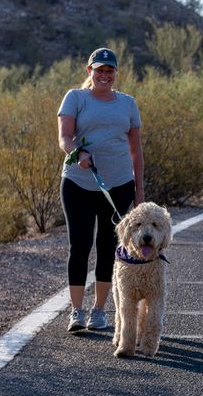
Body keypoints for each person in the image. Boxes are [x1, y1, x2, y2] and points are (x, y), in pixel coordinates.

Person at [57, 47, 144, 332]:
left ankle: (99, 311)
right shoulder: (76, 97)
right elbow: (64, 137)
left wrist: (139, 192)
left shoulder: (127, 103)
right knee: (80, 245)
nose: (104, 75)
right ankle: (77, 311)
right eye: (100, 70)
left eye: (110, 70)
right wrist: (78, 154)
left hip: (118, 185)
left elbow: (136, 152)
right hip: (78, 183)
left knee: (108, 246)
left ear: (116, 73)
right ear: (89, 71)